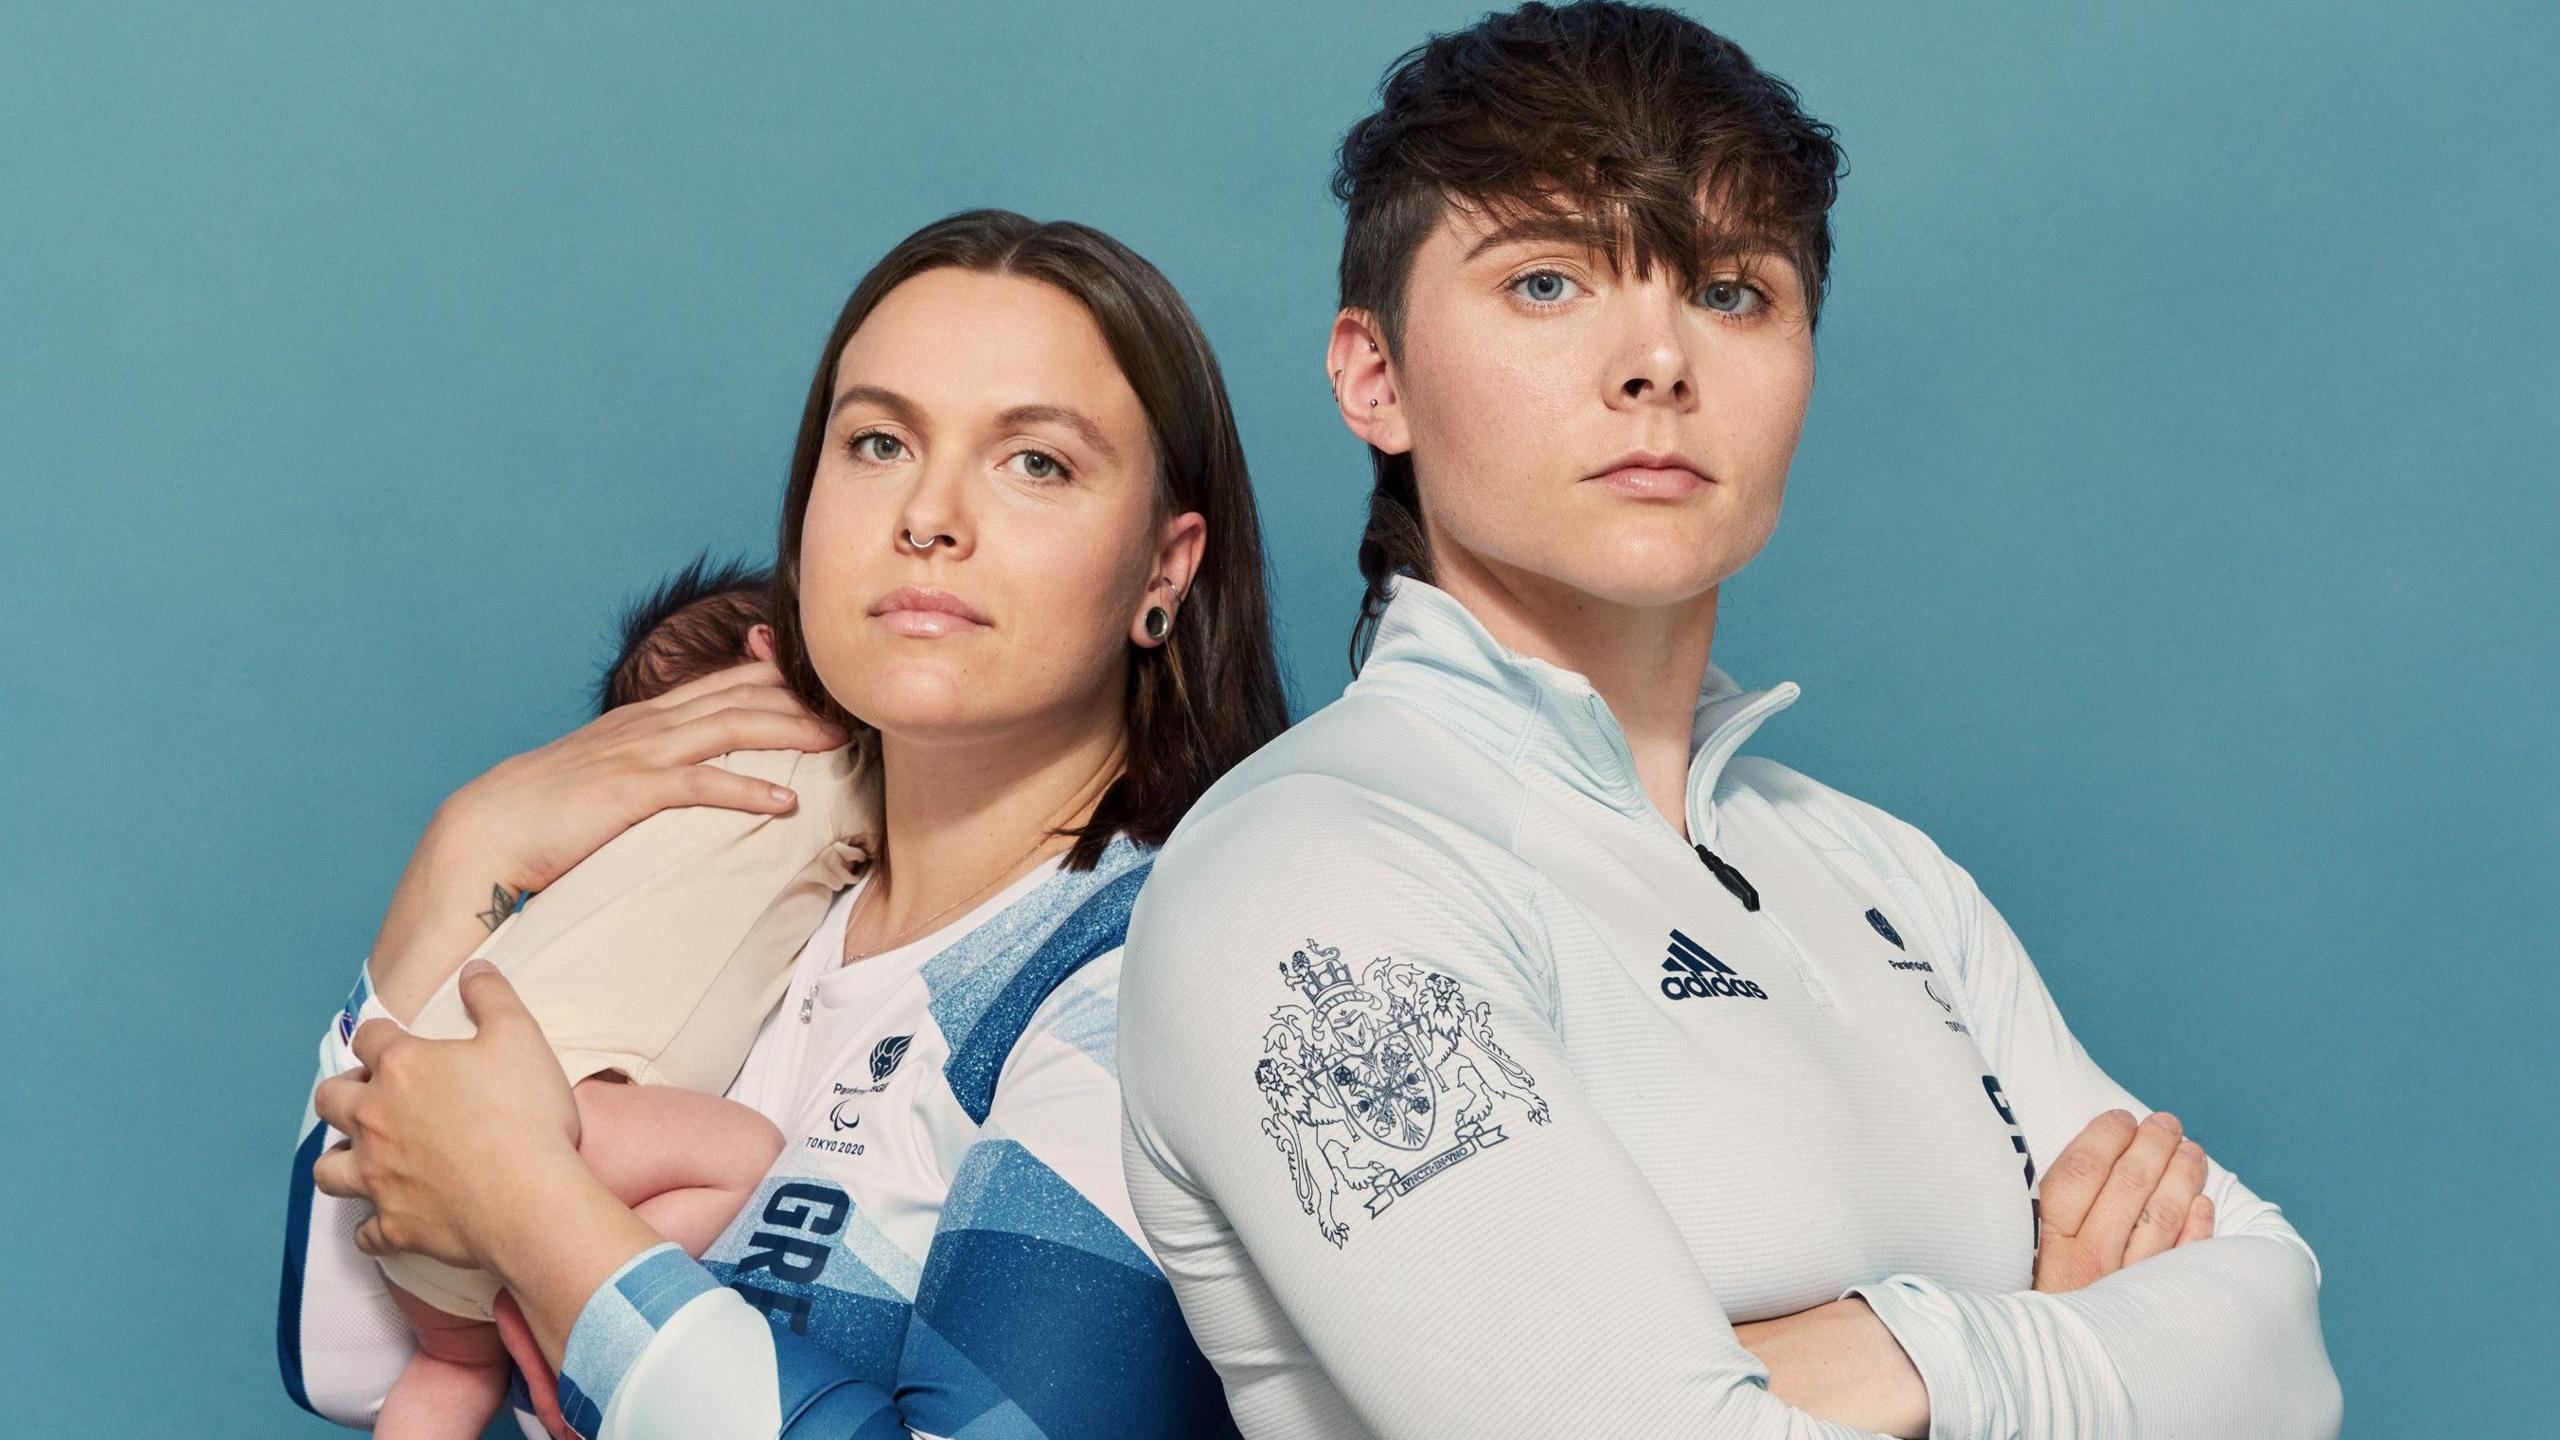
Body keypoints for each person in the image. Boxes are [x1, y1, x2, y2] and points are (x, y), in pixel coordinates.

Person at [1115, 5, 2344, 1438]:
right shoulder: (1306, 879)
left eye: (1731, 293)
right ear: (1372, 377)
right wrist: (2064, 1341)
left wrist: (1899, 1357)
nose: (1657, 364)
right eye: (1549, 284)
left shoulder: (1886, 875)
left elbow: (2283, 1353)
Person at [283, 208, 1284, 1440]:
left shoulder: (1155, 981)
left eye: (1036, 462)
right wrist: (465, 857)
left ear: (1164, 574)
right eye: (876, 442)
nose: (929, 516)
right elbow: (354, 1357)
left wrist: (531, 1210)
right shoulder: (757, 897)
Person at [343, 556, 877, 1439]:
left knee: (443, 1364)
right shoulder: (794, 760)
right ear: (774, 656)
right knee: (749, 1155)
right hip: (555, 1120)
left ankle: (501, 1308)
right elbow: (934, 802)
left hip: (403, 1134)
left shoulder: (594, 830)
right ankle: (557, 1305)